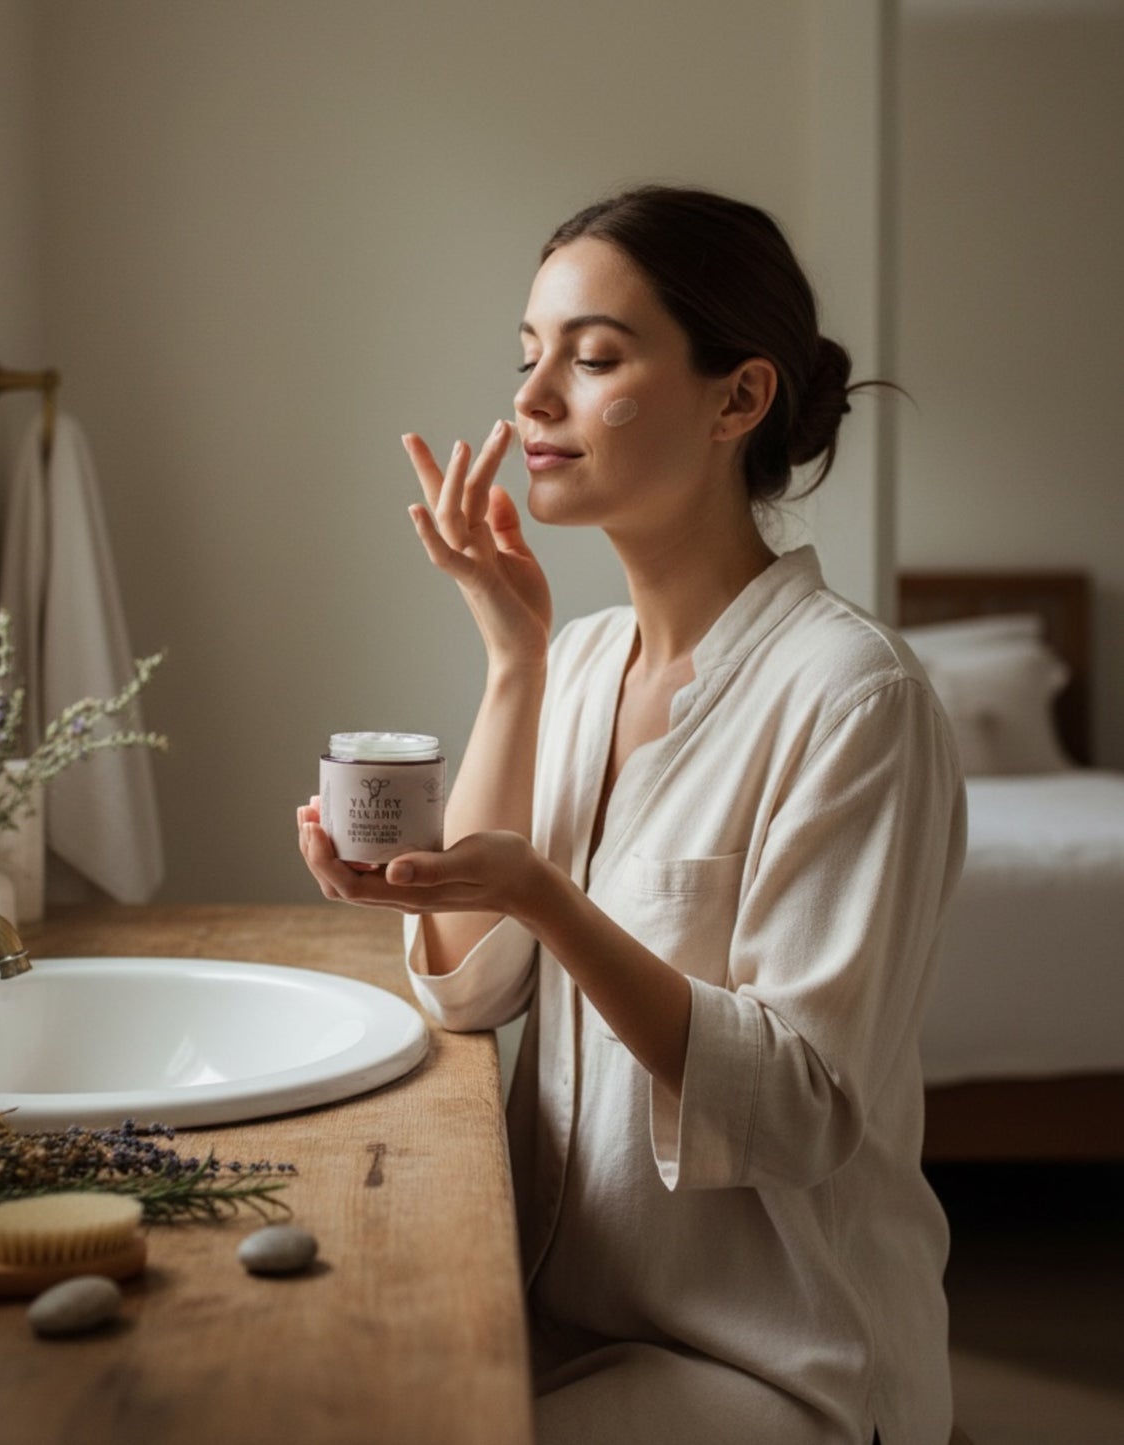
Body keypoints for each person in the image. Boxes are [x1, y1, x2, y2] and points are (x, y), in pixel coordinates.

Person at [297, 185, 965, 1445]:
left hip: (775, 1360)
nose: (532, 397)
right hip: (561, 1313)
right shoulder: (585, 657)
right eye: (526, 355)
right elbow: (466, 990)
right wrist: (511, 658)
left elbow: (802, 1103)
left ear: (737, 398)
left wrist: (546, 894)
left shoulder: (851, 696)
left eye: (592, 356)